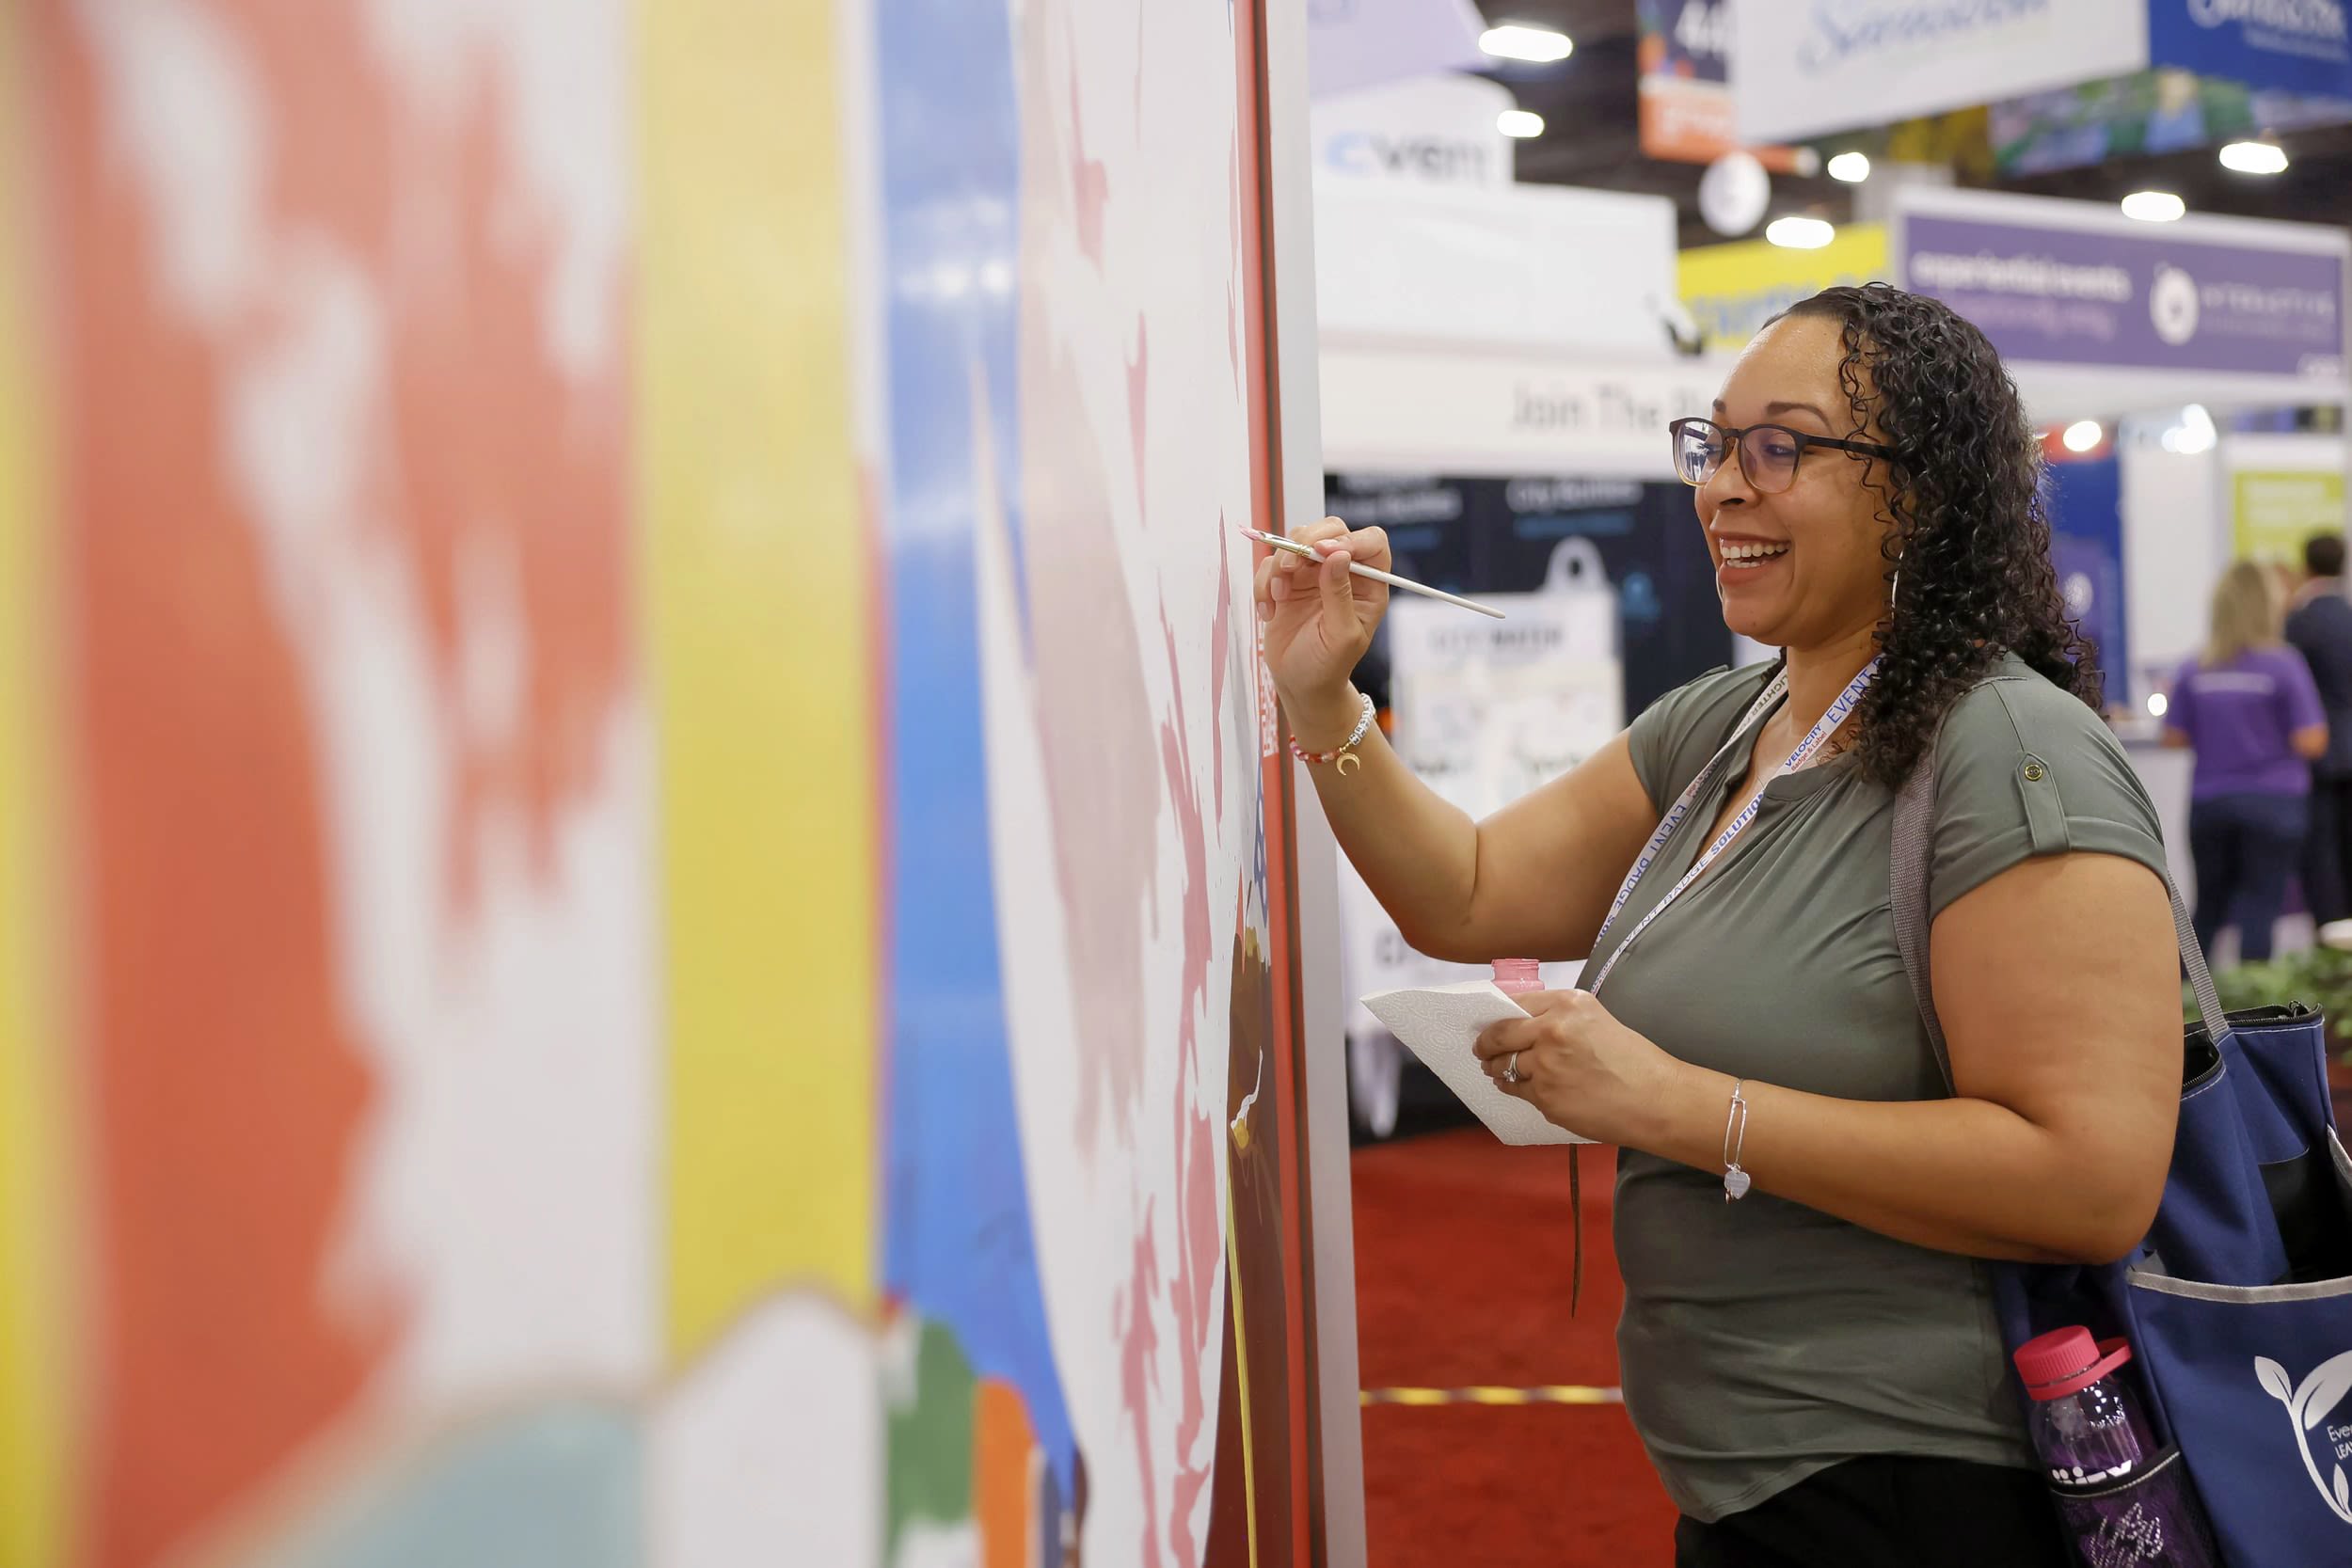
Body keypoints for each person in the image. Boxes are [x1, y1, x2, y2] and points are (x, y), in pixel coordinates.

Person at [1254, 283, 2181, 1567]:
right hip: (1756, 1483)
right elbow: (1465, 890)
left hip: (1926, 1490)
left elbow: (2092, 1178)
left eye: (1780, 447)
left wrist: (1677, 1102)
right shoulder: (1728, 725)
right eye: (1714, 442)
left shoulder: (2009, 755)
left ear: (1914, 490)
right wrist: (1322, 696)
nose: (1722, 488)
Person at [2164, 561, 2328, 964]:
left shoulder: (2193, 668)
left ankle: (2184, 1011)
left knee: (2208, 911)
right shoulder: (2284, 665)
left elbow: (2173, 737)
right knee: (2260, 908)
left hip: (2212, 802)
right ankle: (2256, 1014)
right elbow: (2312, 740)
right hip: (2274, 804)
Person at [2285, 532, 2352, 927]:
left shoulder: (2299, 623)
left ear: (2306, 566)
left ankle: (2331, 944)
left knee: (2323, 853)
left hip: (2319, 753)